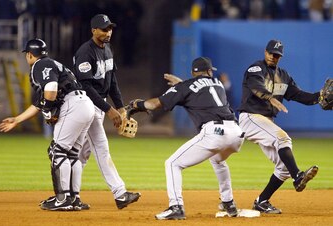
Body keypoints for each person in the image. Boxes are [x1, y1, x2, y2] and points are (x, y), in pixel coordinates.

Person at [129, 57, 244, 220]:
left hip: (215, 132)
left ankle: (176, 206)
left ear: (192, 72)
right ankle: (228, 203)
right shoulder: (218, 84)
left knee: (172, 163)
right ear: (210, 72)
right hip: (236, 133)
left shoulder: (186, 87)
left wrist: (137, 105)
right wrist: (181, 85)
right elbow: (198, 93)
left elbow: (155, 104)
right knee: (218, 160)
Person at [0, 38, 95, 211]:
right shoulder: (52, 64)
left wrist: (48, 111)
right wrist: (17, 119)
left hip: (73, 106)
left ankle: (62, 198)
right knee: (72, 154)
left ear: (29, 54)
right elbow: (39, 102)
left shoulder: (39, 65)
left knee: (56, 151)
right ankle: (74, 198)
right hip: (85, 105)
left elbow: (51, 87)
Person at [238, 39, 319, 214]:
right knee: (283, 138)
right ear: (265, 51)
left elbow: (298, 95)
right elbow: (255, 86)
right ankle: (298, 176)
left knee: (283, 167)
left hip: (266, 122)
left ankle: (262, 201)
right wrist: (270, 97)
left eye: (277, 55)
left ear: (280, 57)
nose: (273, 57)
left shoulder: (284, 75)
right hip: (251, 118)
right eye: (271, 53)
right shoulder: (256, 68)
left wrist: (318, 97)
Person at [73, 14, 140, 209]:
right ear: (93, 30)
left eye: (110, 28)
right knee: (101, 147)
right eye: (103, 29)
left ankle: (69, 193)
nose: (108, 32)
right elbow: (86, 86)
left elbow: (112, 81)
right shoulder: (85, 52)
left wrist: (120, 107)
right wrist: (109, 110)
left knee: (82, 154)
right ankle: (120, 194)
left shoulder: (108, 50)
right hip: (86, 104)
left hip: (99, 105)